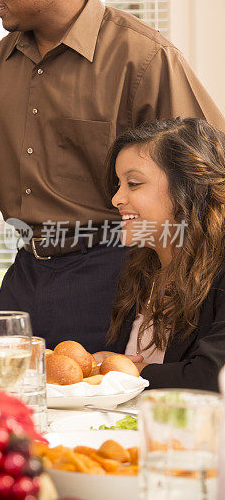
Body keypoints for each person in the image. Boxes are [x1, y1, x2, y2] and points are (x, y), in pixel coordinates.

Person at [0, 0, 225, 352]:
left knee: (108, 409)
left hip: (117, 278)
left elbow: (211, 175)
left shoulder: (145, 58)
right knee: (11, 401)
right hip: (23, 279)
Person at [95, 118, 225, 392]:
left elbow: (211, 376)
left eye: (133, 183)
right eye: (118, 184)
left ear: (188, 190)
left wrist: (130, 372)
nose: (116, 199)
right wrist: (106, 366)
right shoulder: (139, 271)